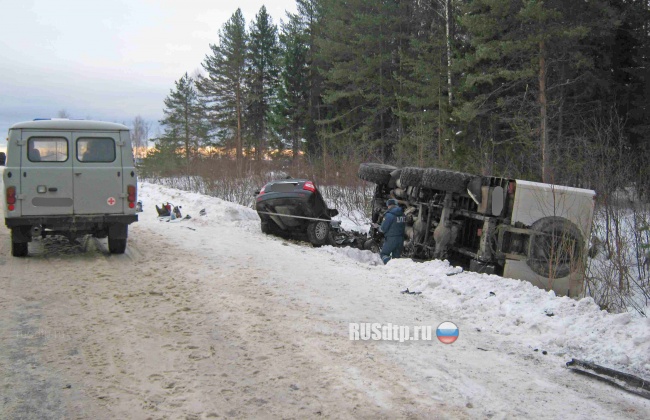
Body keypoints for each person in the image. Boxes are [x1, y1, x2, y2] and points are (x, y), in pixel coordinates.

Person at [377, 198, 405, 264]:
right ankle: (395, 269)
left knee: (383, 254)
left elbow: (383, 228)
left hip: (391, 239)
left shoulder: (389, 215)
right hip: (401, 239)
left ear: (389, 205)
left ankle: (389, 264)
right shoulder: (403, 215)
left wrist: (379, 227)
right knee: (396, 258)